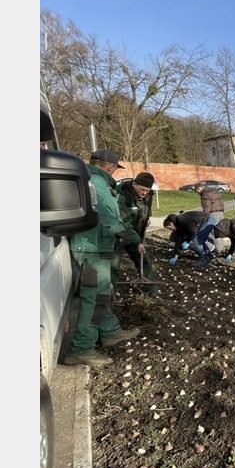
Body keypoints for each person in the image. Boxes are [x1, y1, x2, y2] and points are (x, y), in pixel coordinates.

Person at [64, 149, 140, 368]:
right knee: (92, 298)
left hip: (97, 246)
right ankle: (81, 349)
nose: (115, 172)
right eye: (115, 168)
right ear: (109, 166)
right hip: (90, 248)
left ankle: (109, 331)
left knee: (101, 294)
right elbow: (107, 215)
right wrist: (130, 237)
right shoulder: (94, 181)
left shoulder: (93, 180)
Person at [113, 172, 157, 293]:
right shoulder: (122, 196)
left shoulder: (148, 195)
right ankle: (109, 293)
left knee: (144, 260)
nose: (144, 193)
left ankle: (150, 289)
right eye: (142, 189)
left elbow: (146, 210)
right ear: (134, 184)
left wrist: (147, 218)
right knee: (114, 265)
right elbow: (124, 222)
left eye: (147, 190)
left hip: (134, 234)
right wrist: (138, 241)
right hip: (119, 234)